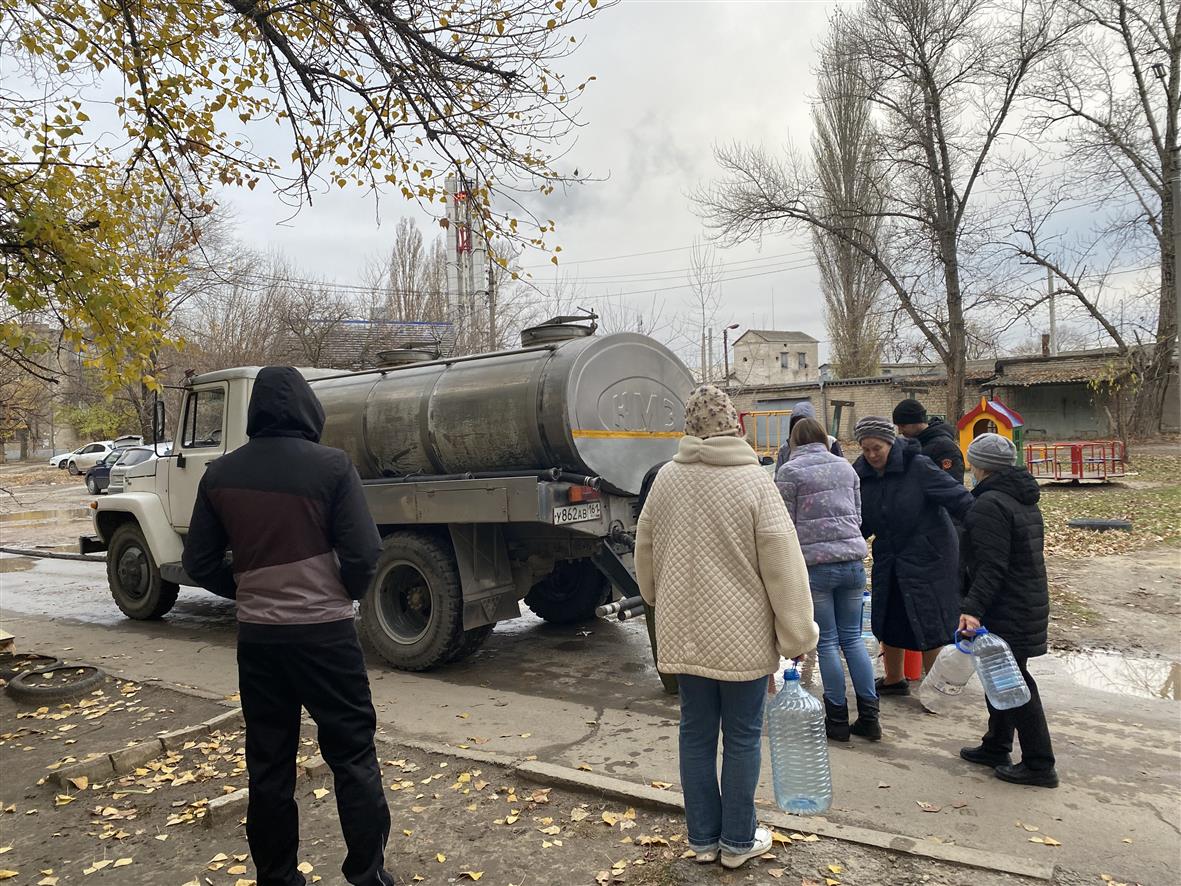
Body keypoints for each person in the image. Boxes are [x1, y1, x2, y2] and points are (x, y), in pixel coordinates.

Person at [182, 367, 394, 886]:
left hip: (260, 643)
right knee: (353, 757)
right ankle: (368, 877)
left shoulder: (220, 474)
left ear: (255, 411)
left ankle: (277, 879)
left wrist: (247, 590)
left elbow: (199, 561)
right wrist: (343, 591)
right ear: (308, 410)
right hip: (326, 640)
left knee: (269, 765)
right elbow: (365, 553)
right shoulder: (332, 467)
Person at [635, 384, 817, 870]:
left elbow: (644, 550)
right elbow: (784, 566)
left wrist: (657, 599)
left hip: (683, 632)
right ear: (735, 425)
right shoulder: (755, 482)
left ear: (689, 427)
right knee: (741, 738)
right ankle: (737, 842)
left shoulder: (667, 480)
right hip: (742, 639)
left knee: (694, 734)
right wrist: (798, 635)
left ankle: (701, 839)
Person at [957, 433, 1058, 788]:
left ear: (977, 464)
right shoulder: (1021, 498)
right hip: (1025, 599)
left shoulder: (990, 504)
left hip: (1008, 605)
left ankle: (1039, 764)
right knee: (999, 674)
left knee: (1015, 681)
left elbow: (991, 566)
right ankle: (996, 745)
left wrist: (972, 608)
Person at [775, 417, 879, 742]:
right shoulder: (846, 468)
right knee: (852, 639)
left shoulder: (789, 472)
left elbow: (782, 523)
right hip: (852, 562)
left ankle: (836, 720)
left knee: (829, 642)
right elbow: (858, 515)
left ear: (793, 441)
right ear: (823, 437)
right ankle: (870, 717)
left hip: (815, 566)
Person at [853, 416, 974, 695]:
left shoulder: (918, 467)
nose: (872, 455)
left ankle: (935, 685)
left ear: (890, 443)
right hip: (891, 556)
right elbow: (861, 520)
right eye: (866, 449)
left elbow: (960, 499)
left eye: (877, 448)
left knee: (930, 620)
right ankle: (894, 680)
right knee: (888, 617)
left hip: (929, 554)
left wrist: (981, 533)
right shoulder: (861, 475)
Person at [892, 398, 965, 483]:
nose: (900, 431)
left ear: (916, 421)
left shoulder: (945, 448)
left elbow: (953, 486)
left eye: (903, 426)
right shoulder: (912, 445)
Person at [774, 400, 843, 471]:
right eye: (797, 423)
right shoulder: (785, 448)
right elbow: (778, 477)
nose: (801, 427)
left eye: (805, 421)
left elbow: (841, 470)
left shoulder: (830, 442)